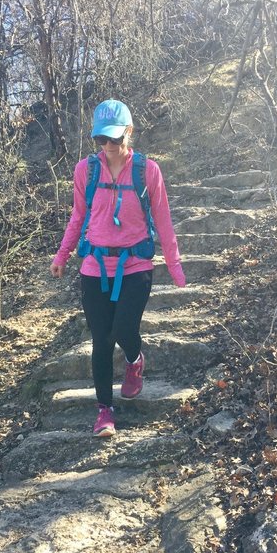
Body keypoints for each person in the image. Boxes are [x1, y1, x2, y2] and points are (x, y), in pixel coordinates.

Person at [50, 99, 186, 437]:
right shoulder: (86, 170)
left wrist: (174, 263)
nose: (108, 146)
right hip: (95, 265)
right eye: (102, 140)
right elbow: (78, 216)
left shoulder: (147, 170)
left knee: (123, 329)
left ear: (128, 132)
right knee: (100, 340)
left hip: (136, 263)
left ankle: (135, 360)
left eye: (114, 138)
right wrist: (62, 254)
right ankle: (104, 411)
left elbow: (164, 221)